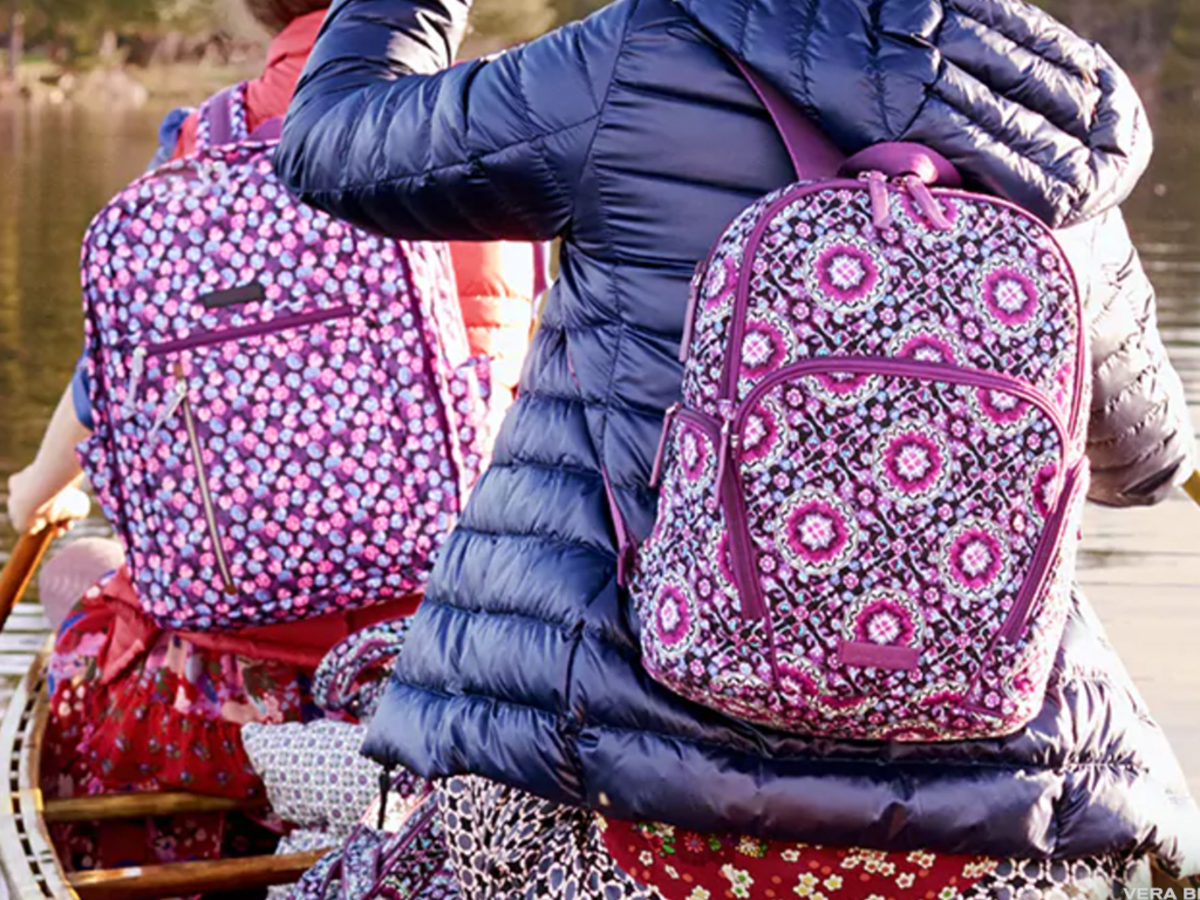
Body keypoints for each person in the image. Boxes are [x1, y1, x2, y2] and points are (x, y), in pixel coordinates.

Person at [276, 0, 1200, 896]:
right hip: (981, 797)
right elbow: (1144, 458)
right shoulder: (1039, 115)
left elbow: (333, 146)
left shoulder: (634, 56)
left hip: (614, 775)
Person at [4, 0, 532, 873]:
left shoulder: (200, 144)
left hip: (231, 689)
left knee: (77, 571)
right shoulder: (488, 139)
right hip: (442, 659)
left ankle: (234, 820)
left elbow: (106, 381)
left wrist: (32, 487)